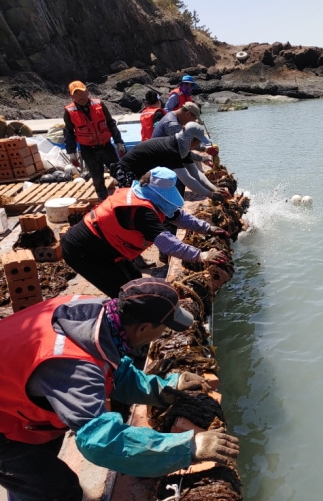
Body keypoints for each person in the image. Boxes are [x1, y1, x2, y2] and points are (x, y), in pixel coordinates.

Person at [0, 278, 240, 501]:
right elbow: (99, 441)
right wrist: (189, 447)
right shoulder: (73, 368)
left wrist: (164, 388)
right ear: (144, 328)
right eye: (164, 328)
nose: (164, 334)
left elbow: (113, 370)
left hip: (16, 397)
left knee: (35, 466)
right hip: (4, 425)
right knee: (55, 490)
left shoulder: (98, 314)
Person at [62, 167, 229, 298]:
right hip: (83, 250)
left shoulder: (145, 197)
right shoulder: (143, 212)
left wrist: (208, 228)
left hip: (105, 246)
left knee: (134, 278)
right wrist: (202, 256)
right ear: (158, 193)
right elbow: (168, 243)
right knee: (126, 294)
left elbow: (177, 215)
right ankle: (128, 336)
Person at [111, 122, 227, 201]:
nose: (199, 145)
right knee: (135, 204)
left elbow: (196, 173)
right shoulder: (172, 150)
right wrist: (211, 195)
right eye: (198, 142)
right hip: (127, 173)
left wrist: (214, 188)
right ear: (191, 140)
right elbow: (187, 180)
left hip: (140, 172)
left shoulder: (181, 147)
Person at [64, 81, 126, 201]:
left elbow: (111, 124)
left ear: (87, 92)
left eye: (82, 93)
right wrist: (71, 153)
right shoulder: (69, 111)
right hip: (88, 150)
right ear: (72, 97)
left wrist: (119, 142)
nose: (80, 97)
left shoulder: (99, 104)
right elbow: (69, 133)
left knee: (119, 173)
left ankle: (126, 198)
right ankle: (103, 202)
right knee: (97, 179)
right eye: (76, 94)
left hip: (106, 146)